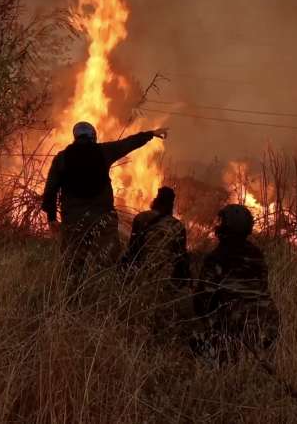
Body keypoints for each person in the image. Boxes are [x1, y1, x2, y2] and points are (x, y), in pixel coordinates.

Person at [41, 121, 168, 278]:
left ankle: (72, 298)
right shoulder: (103, 151)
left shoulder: (62, 158)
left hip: (73, 221)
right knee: (107, 264)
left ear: (75, 137)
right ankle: (104, 295)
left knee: (72, 266)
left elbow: (50, 191)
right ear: (93, 136)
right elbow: (127, 144)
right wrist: (150, 134)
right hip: (103, 219)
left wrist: (52, 218)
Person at [192, 204, 279, 361]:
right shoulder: (257, 255)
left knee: (196, 343)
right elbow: (262, 287)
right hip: (268, 326)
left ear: (225, 228)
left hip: (235, 330)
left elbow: (202, 301)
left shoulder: (216, 258)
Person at [120, 186, 192, 339]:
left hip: (140, 274)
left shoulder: (141, 218)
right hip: (164, 278)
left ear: (156, 200)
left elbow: (133, 249)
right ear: (171, 204)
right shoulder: (177, 226)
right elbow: (181, 258)